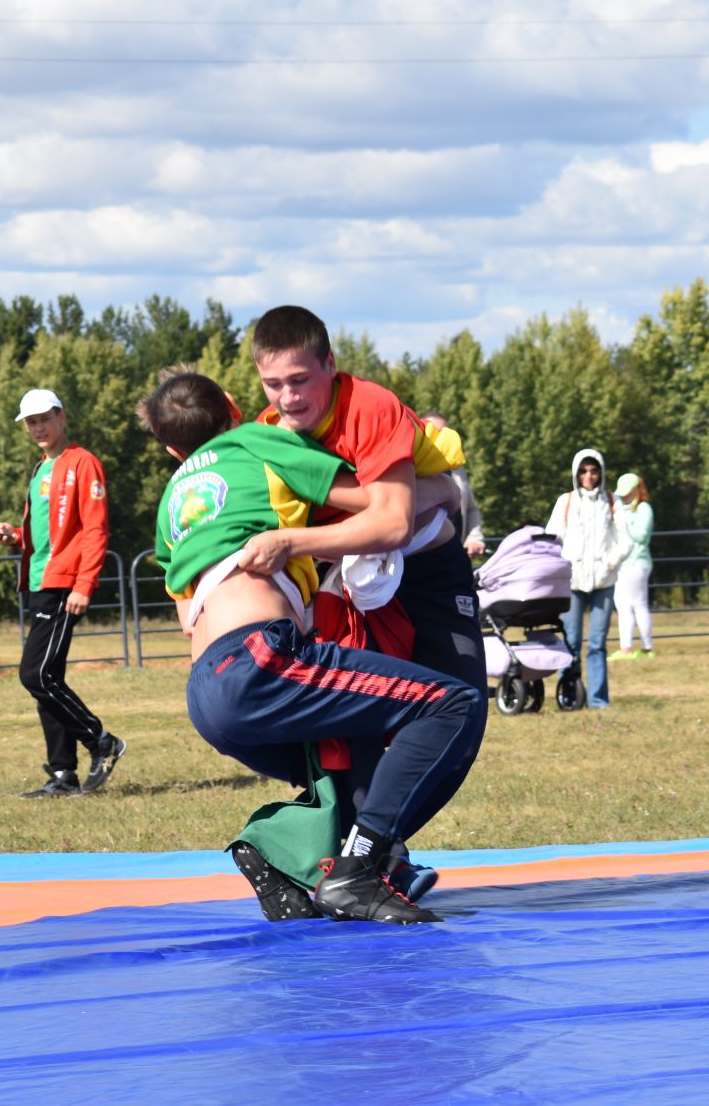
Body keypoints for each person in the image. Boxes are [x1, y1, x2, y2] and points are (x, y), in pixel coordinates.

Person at [141, 370, 486, 924]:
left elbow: (187, 615)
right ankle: (358, 870)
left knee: (347, 754)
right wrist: (448, 488)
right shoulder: (258, 442)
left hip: (207, 694)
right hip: (260, 658)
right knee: (451, 703)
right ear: (235, 405)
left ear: (168, 446)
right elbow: (374, 504)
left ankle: (280, 852)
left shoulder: (170, 506)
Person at [250, 307, 489, 881]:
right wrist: (400, 494)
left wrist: (297, 535)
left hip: (426, 576)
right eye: (273, 383)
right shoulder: (266, 433)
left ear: (329, 366)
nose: (288, 397)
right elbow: (399, 508)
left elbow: (394, 526)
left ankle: (373, 850)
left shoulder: (369, 406)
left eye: (301, 380)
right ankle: (366, 858)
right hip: (342, 586)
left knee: (459, 714)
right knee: (351, 725)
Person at [0, 388, 126, 798]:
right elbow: (47, 534)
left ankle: (101, 740)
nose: (38, 428)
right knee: (46, 678)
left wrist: (84, 584)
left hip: (65, 586)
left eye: (44, 419)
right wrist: (15, 535)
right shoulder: (39, 470)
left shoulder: (83, 463)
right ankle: (63, 774)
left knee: (35, 673)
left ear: (61, 417)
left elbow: (95, 529)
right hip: (38, 582)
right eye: (30, 422)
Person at [544, 449, 632, 709]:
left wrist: (610, 562)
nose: (589, 476)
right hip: (572, 582)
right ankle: (569, 695)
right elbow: (553, 537)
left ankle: (598, 699)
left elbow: (625, 540)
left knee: (597, 643)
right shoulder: (566, 501)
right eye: (583, 471)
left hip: (603, 582)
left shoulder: (613, 501)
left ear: (601, 473)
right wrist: (560, 566)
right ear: (576, 473)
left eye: (594, 471)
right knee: (570, 641)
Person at [420, 412, 486, 558]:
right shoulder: (411, 468)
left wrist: (474, 538)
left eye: (445, 432)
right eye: (434, 432)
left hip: (454, 554)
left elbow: (471, 509)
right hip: (420, 555)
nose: (442, 438)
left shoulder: (457, 468)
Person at [609, 472, 655, 660]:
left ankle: (639, 648)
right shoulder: (628, 509)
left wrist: (624, 521)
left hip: (635, 562)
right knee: (626, 605)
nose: (624, 497)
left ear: (637, 490)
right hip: (627, 563)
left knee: (636, 604)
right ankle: (635, 647)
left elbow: (641, 536)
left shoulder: (643, 509)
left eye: (628, 493)